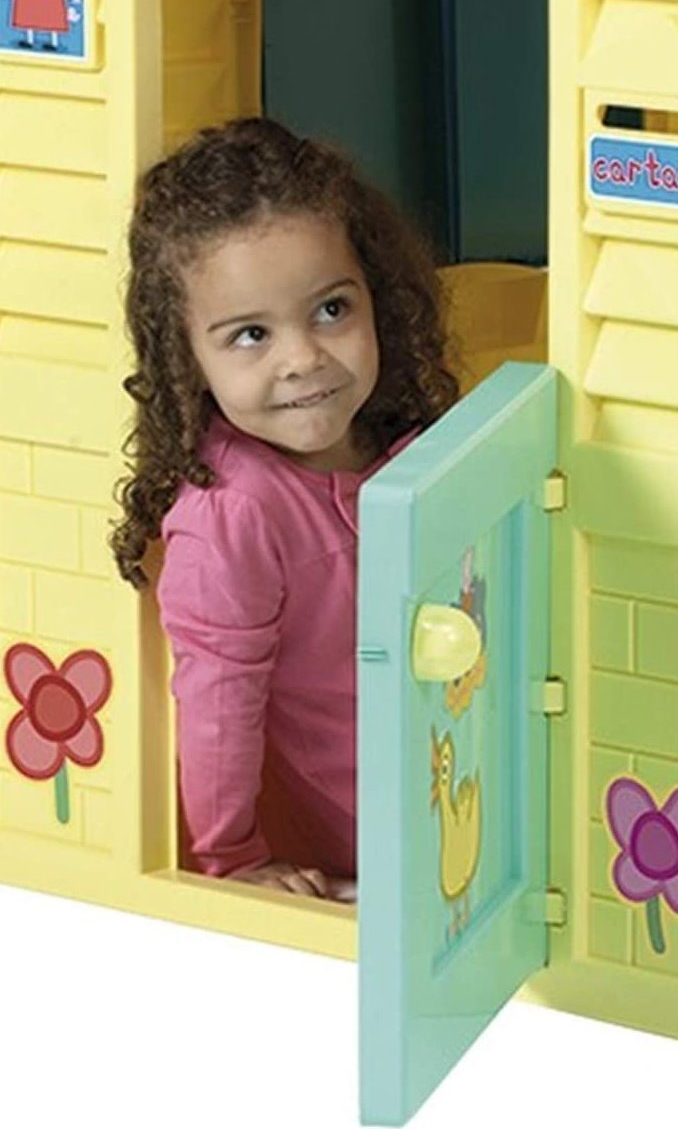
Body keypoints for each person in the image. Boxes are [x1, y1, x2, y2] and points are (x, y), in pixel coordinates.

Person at [109, 118, 460, 902]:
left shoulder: (404, 438)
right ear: (189, 358)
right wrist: (233, 857)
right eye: (250, 335)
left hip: (458, 770)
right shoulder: (233, 515)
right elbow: (218, 705)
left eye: (332, 310)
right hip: (377, 839)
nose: (302, 358)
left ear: (376, 298)